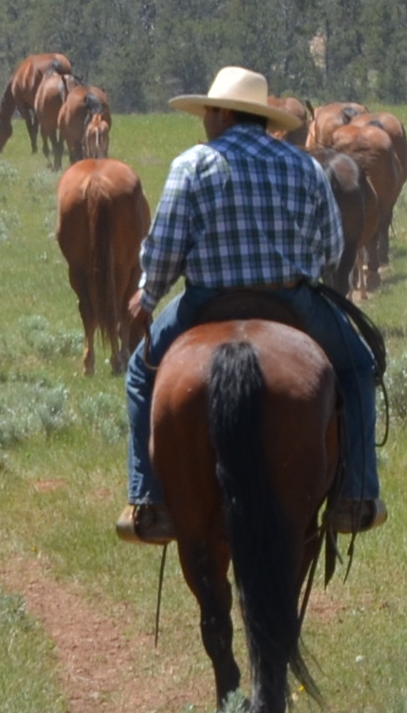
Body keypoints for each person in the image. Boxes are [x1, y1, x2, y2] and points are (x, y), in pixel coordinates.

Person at [116, 65, 381, 546]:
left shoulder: (192, 165)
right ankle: (356, 492)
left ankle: (148, 497)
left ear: (219, 114)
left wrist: (148, 294)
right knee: (358, 368)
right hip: (293, 300)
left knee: (140, 374)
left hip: (205, 303)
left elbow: (164, 250)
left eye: (206, 113)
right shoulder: (302, 165)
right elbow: (330, 249)